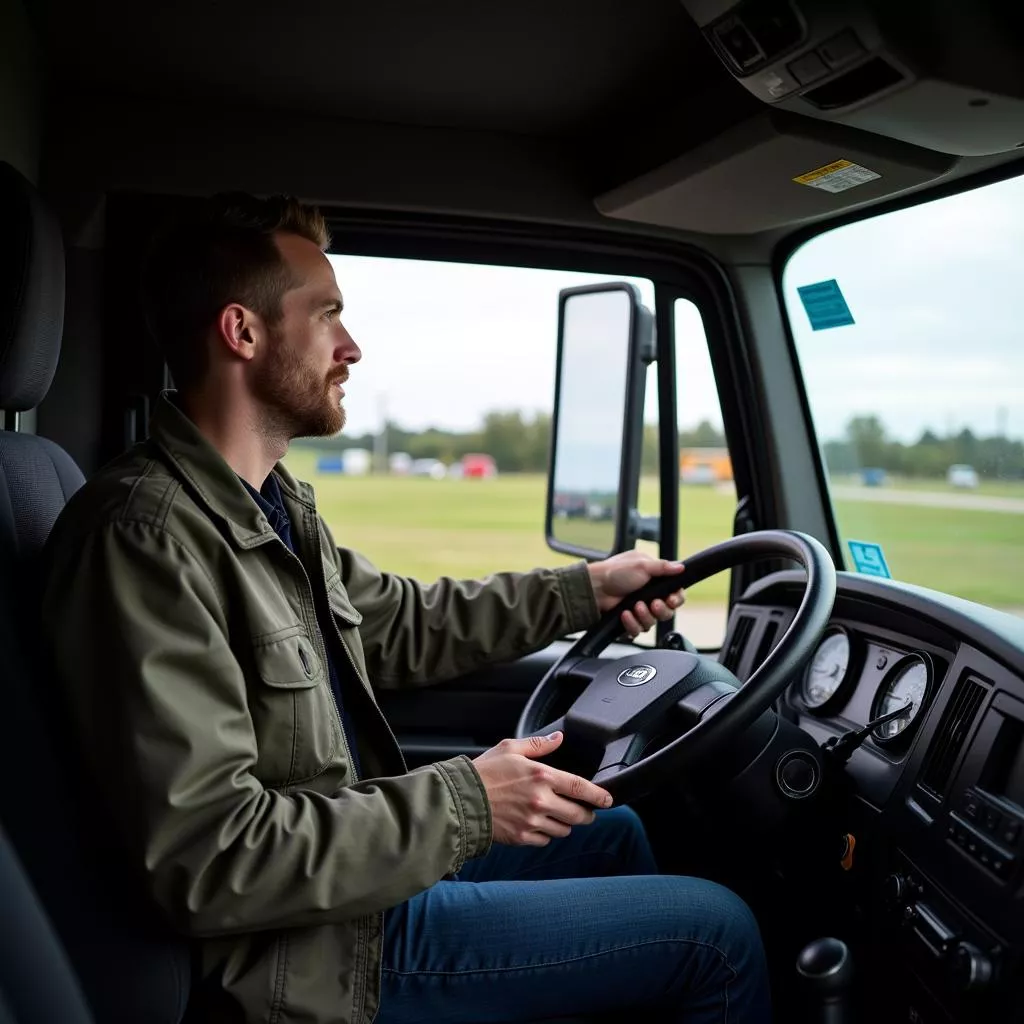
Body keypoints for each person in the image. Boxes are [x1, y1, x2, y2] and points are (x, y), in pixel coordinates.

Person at [40, 193, 771, 1024]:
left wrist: (587, 590)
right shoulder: (147, 538)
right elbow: (209, 858)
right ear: (242, 332)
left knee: (611, 831)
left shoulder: (266, 509)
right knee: (717, 935)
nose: (351, 347)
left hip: (343, 891)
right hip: (296, 958)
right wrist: (469, 800)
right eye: (327, 316)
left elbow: (398, 621)